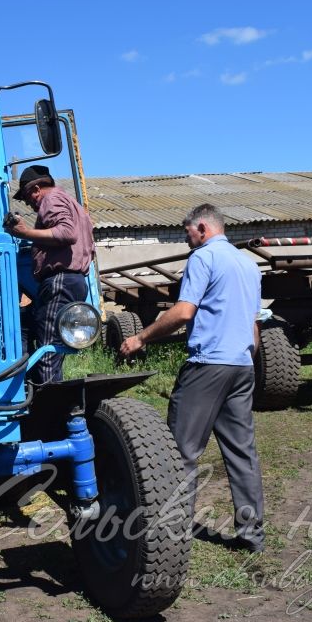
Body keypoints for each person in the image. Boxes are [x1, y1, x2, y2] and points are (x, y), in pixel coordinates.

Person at [120, 203, 265, 553]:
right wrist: (246, 360)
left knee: (180, 451)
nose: (187, 239)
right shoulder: (248, 264)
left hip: (208, 365)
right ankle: (252, 535)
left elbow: (184, 312)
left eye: (187, 233)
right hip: (241, 364)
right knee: (241, 452)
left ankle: (171, 533)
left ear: (202, 227)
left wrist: (140, 338)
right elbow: (254, 324)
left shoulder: (203, 258)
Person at [5, 165, 95, 384]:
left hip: (60, 281)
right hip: (70, 281)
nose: (29, 204)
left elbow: (66, 233)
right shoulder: (72, 204)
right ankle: (23, 381)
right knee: (24, 323)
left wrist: (26, 233)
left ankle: (49, 405)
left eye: (27, 198)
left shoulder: (51, 199)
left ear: (36, 189)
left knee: (48, 349)